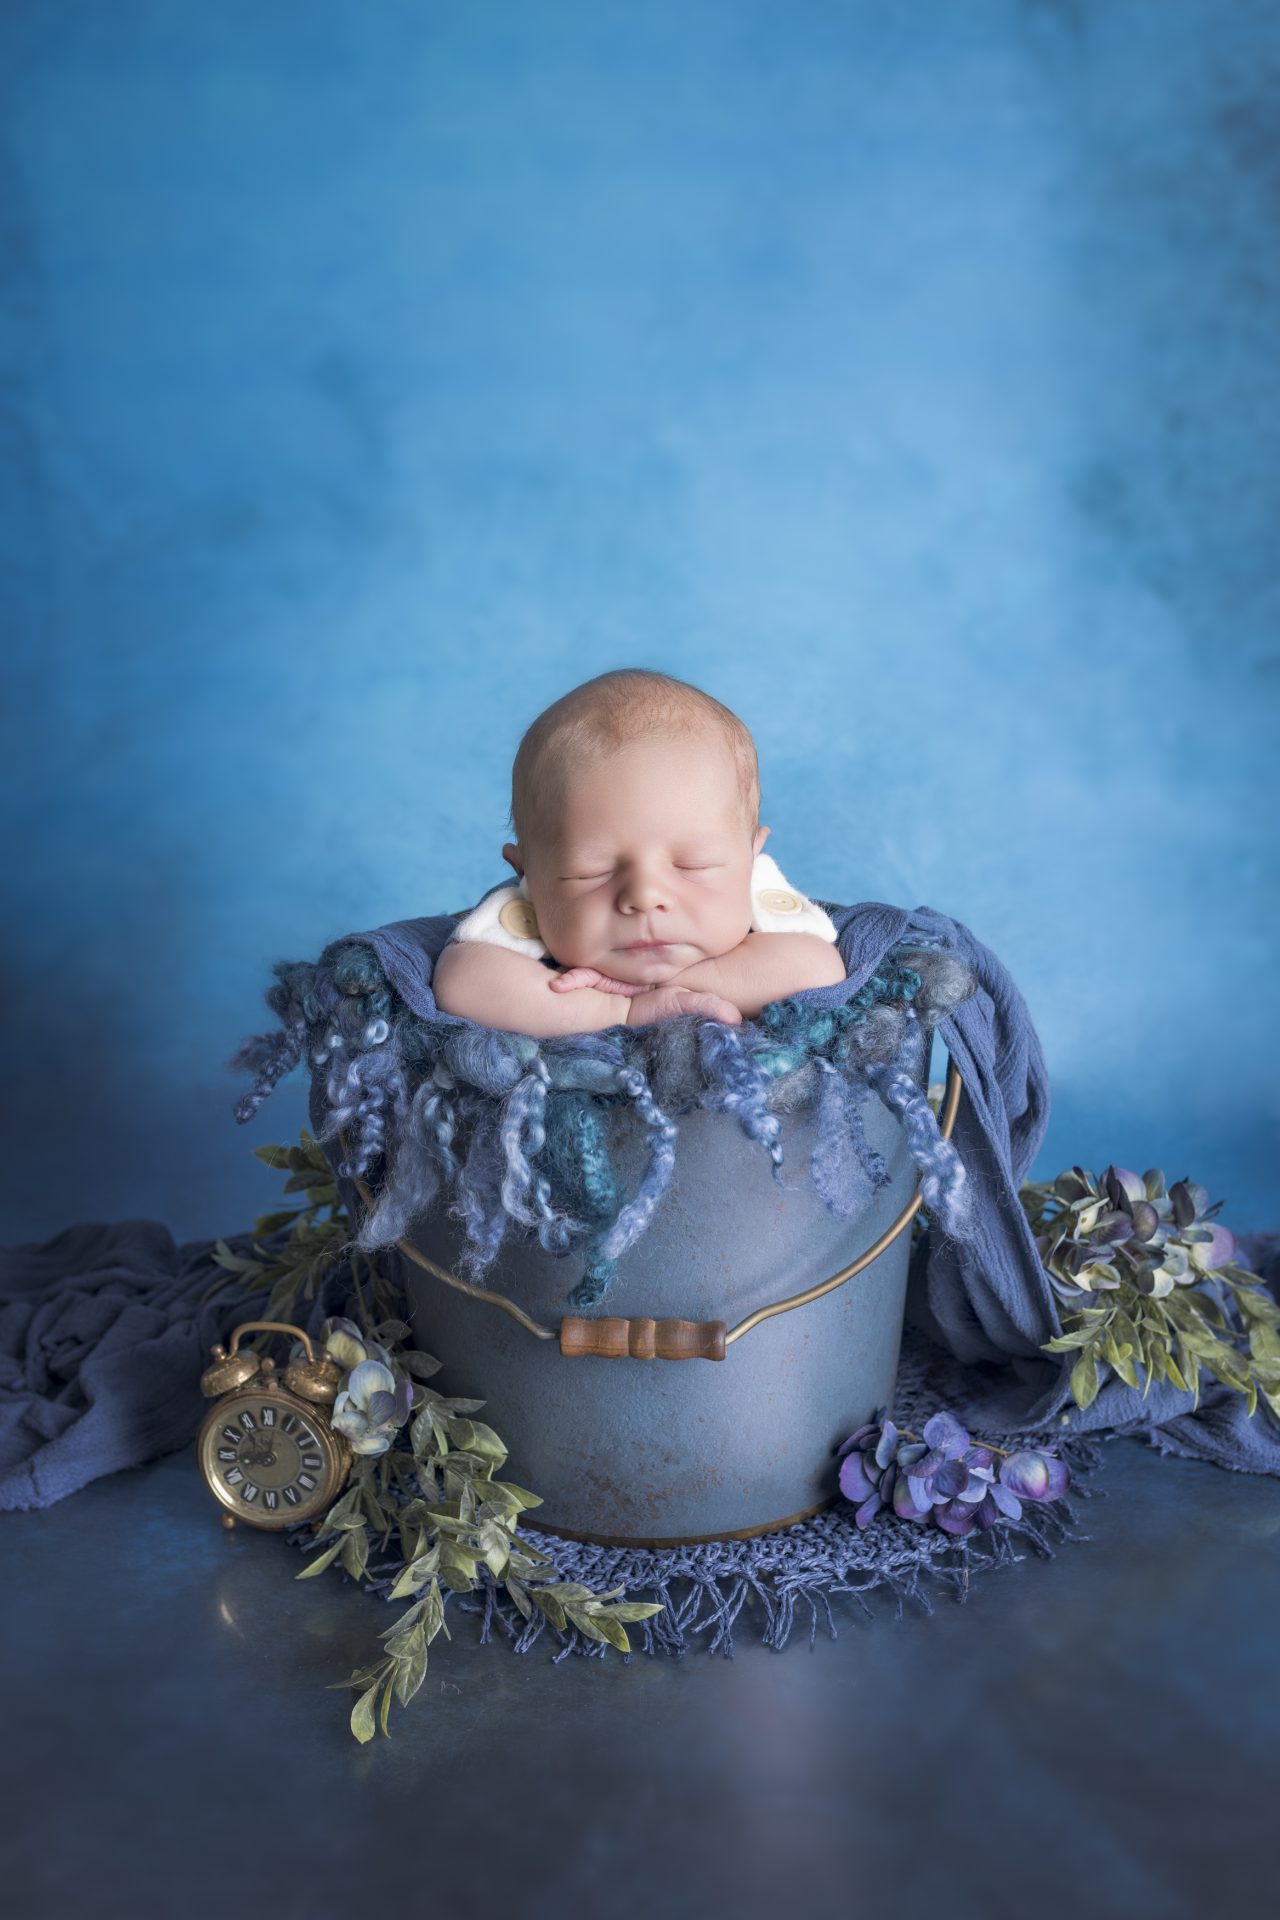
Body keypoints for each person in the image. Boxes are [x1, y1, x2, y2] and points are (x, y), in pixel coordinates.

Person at [431, 668, 847, 1036]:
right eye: (588, 872)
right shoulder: (518, 921)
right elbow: (462, 983)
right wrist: (624, 1010)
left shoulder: (765, 912)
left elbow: (816, 968)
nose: (645, 897)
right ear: (528, 875)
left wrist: (677, 986)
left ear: (751, 859)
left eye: (693, 864)